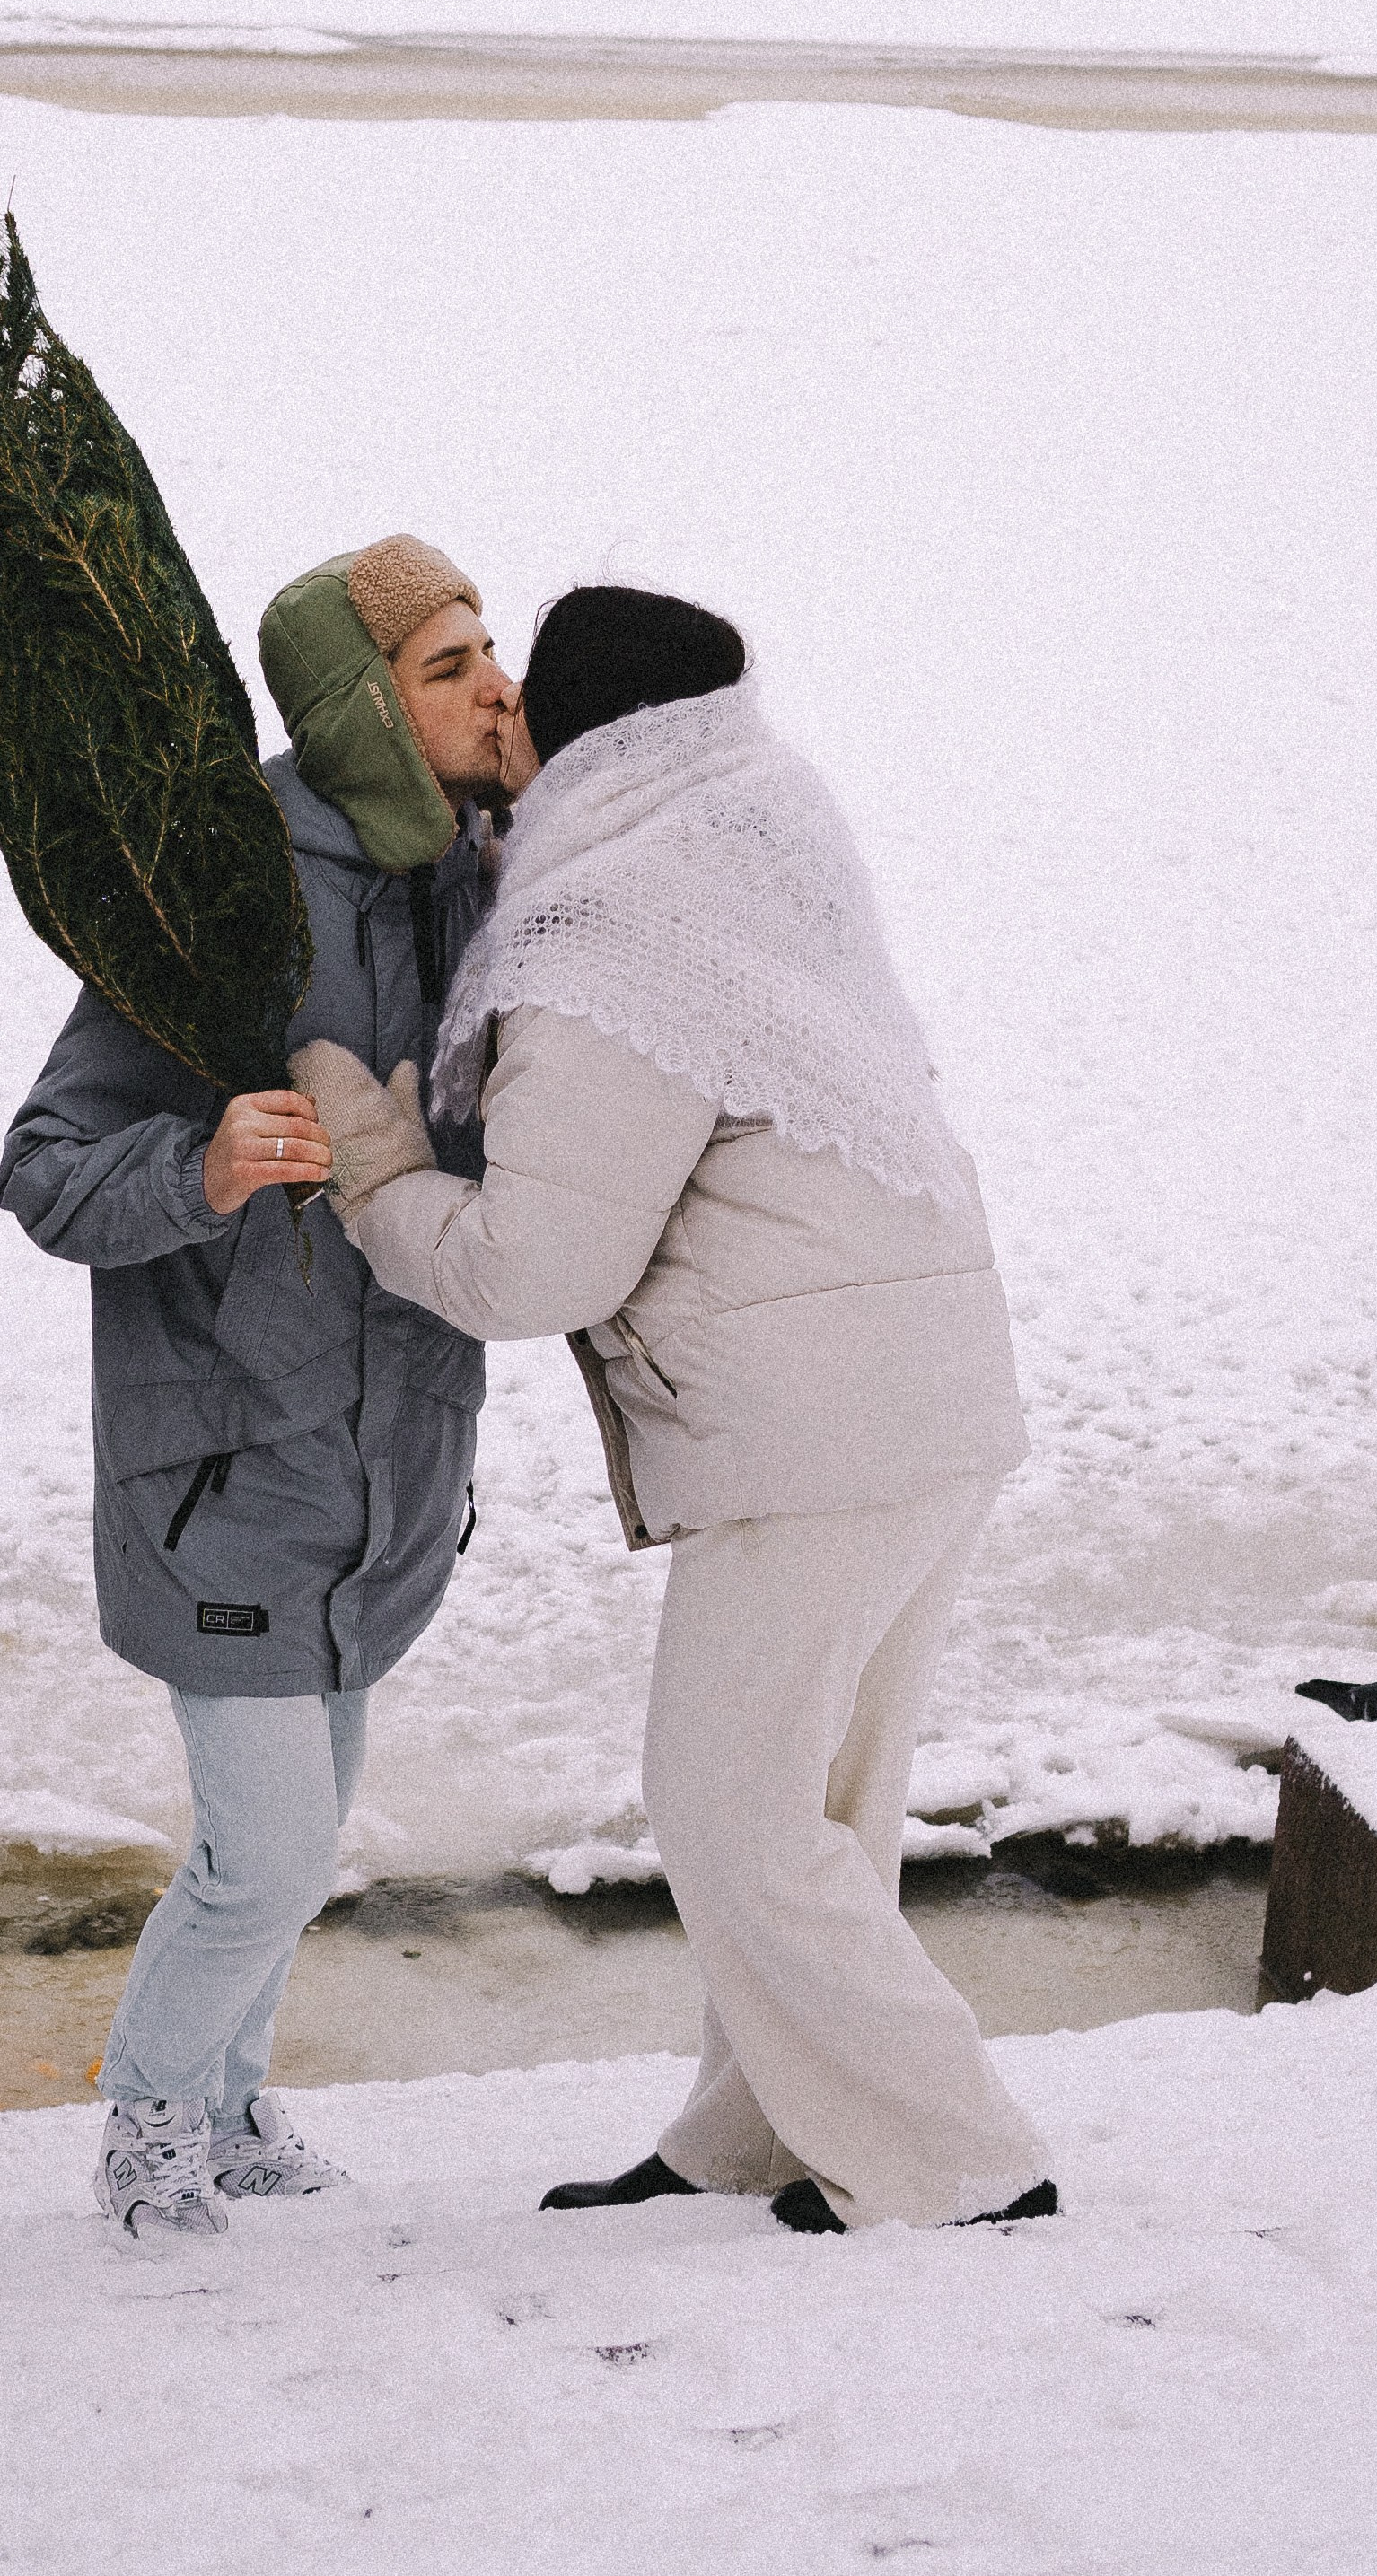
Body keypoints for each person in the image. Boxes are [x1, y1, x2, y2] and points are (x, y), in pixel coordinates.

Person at [294, 585, 1055, 2235]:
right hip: (921, 1391)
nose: (498, 717)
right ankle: (760, 2131)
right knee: (816, 1805)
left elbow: (529, 1266)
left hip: (819, 1429)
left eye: (521, 700)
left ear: (585, 743)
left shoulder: (605, 940)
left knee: (726, 1810)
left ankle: (961, 2165)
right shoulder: (751, 825)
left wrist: (372, 1168)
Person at [0, 535, 517, 2247]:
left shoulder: (477, 884)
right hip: (221, 1469)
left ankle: (227, 2105)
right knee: (270, 1854)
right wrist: (204, 1165)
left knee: (304, 1838)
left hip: (386, 1470)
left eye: (486, 651)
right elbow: (46, 1162)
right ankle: (146, 2121)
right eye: (446, 667)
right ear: (364, 704)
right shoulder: (218, 892)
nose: (492, 686)